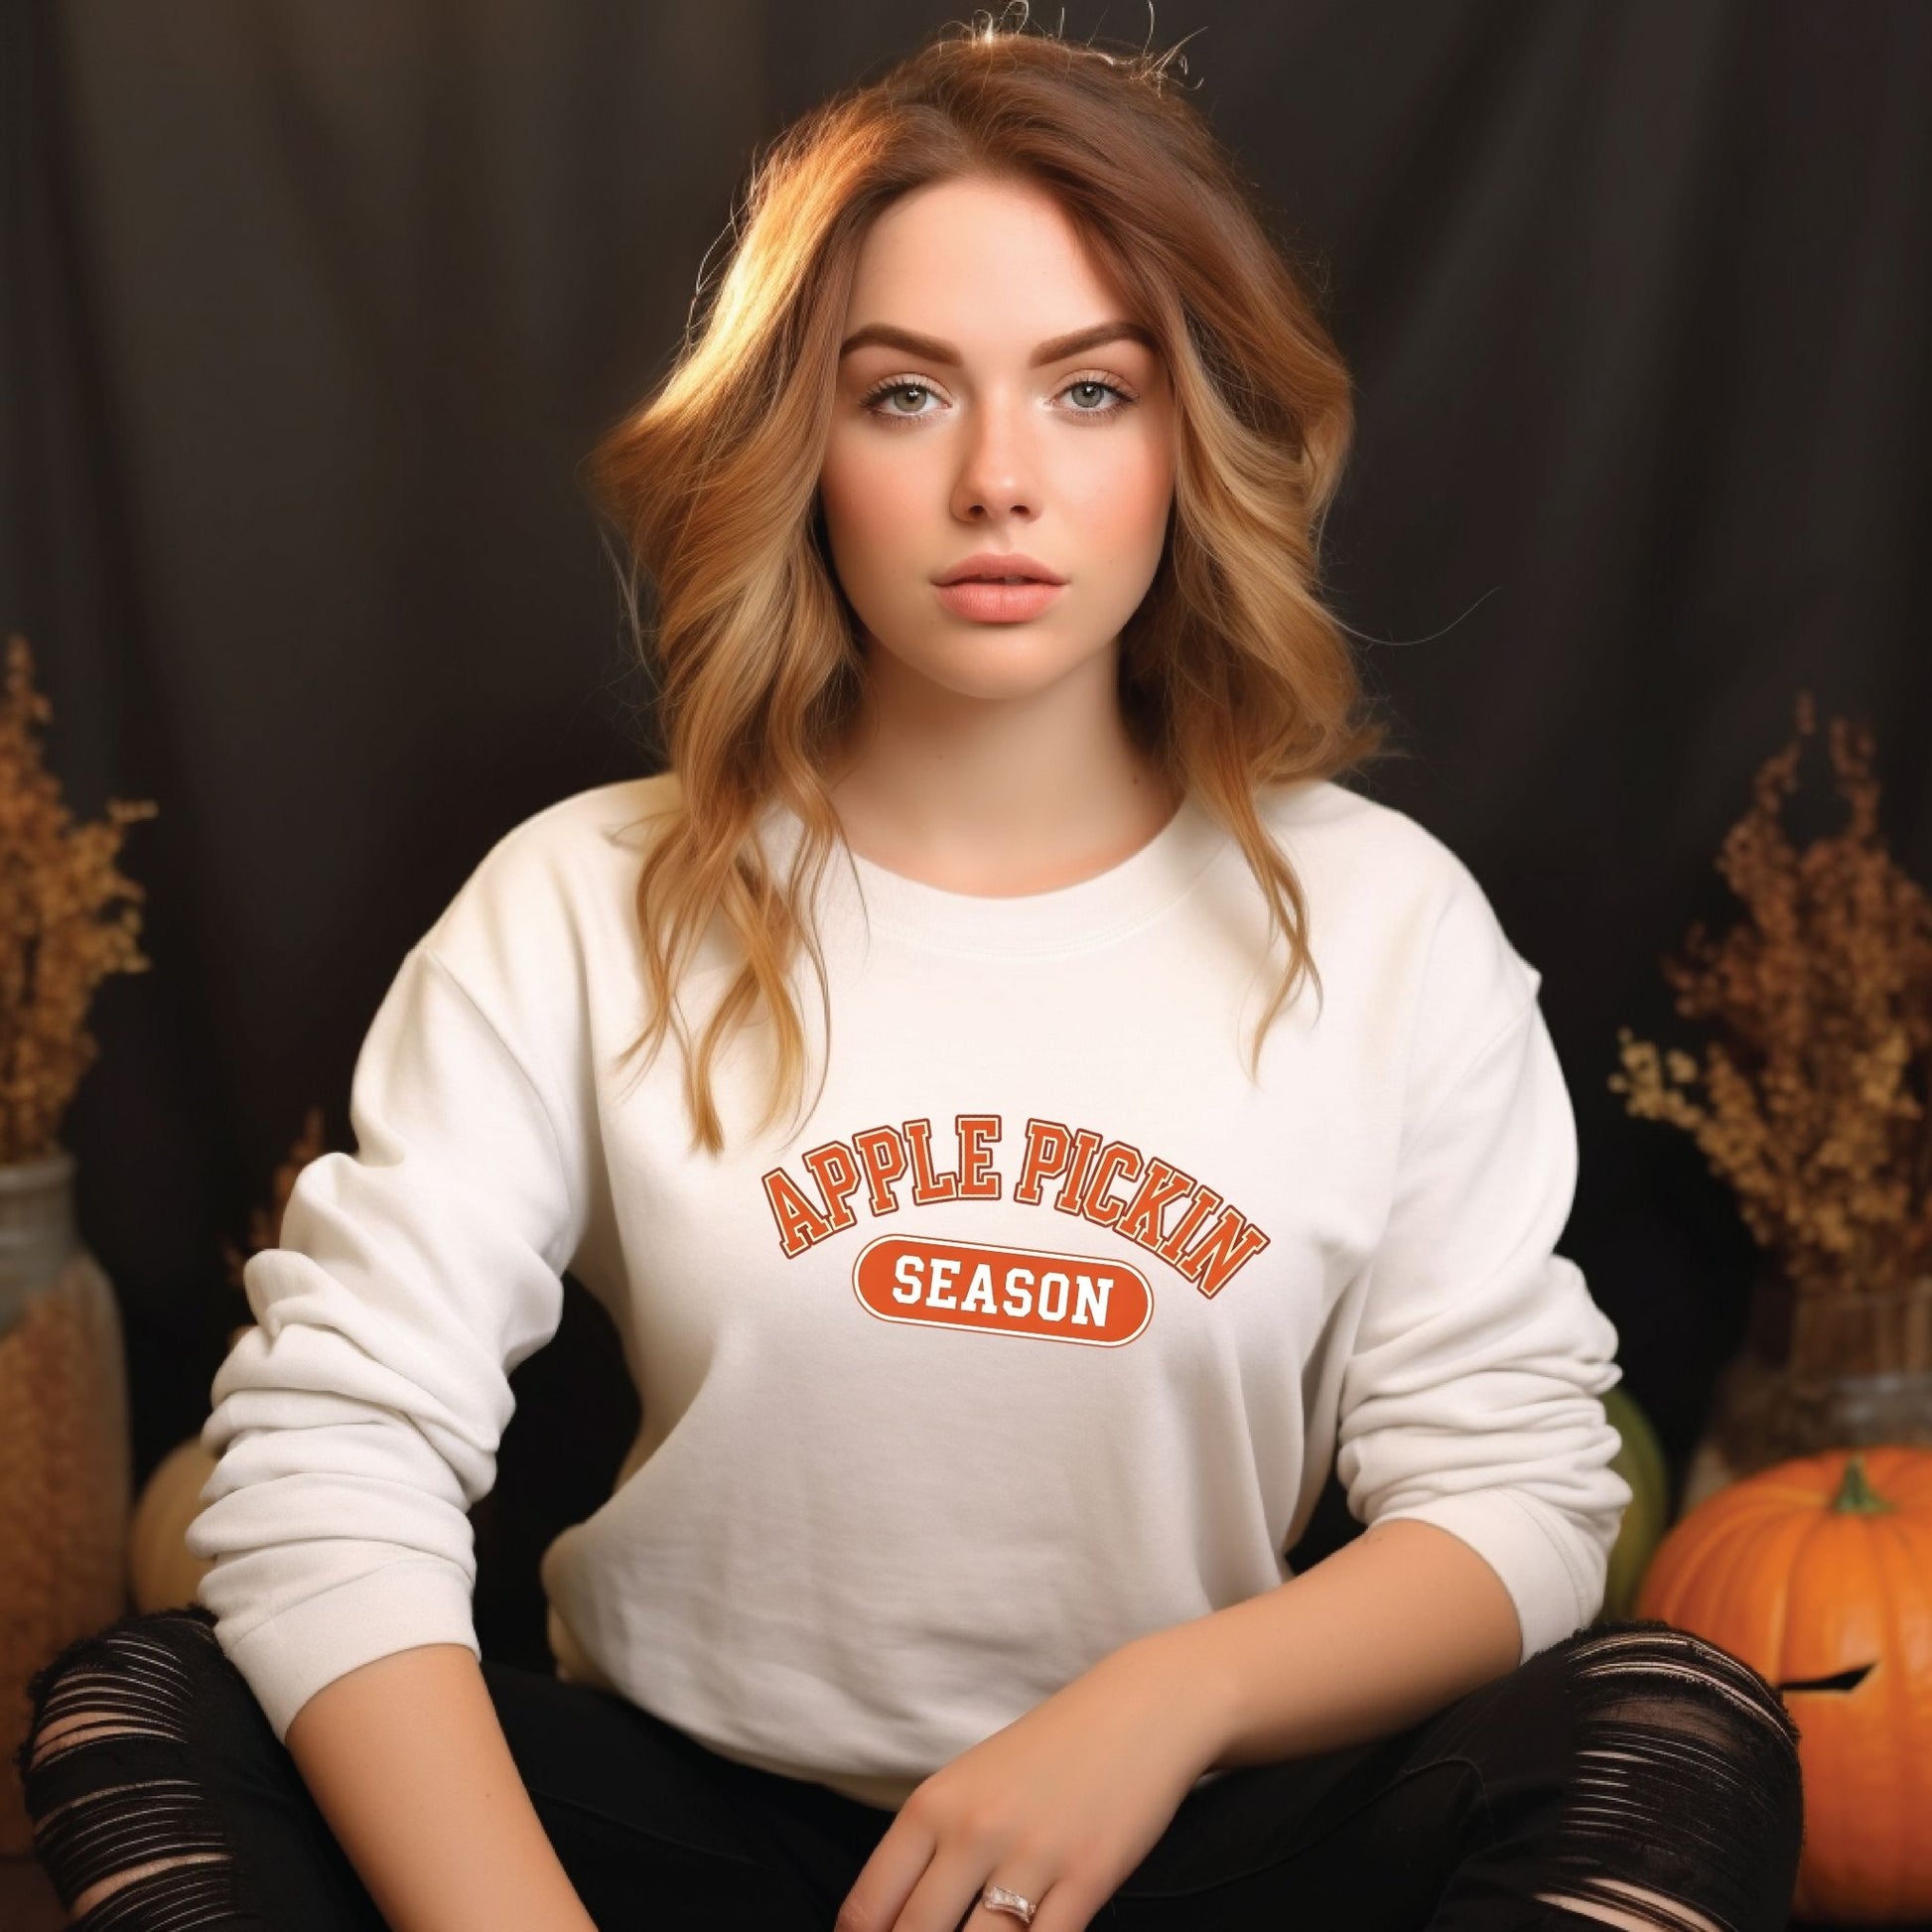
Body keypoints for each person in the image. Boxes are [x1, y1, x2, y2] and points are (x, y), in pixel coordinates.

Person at [15, 13, 1804, 1932]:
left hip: (1181, 1843)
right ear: (805, 441)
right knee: (141, 1704)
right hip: (687, 1853)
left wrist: (1159, 1704)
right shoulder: (584, 899)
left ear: (1191, 439)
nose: (998, 482)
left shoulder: (1379, 922)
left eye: (1089, 391)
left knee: (1678, 1723)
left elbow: (1521, 1491)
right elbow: (325, 1463)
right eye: (905, 395)